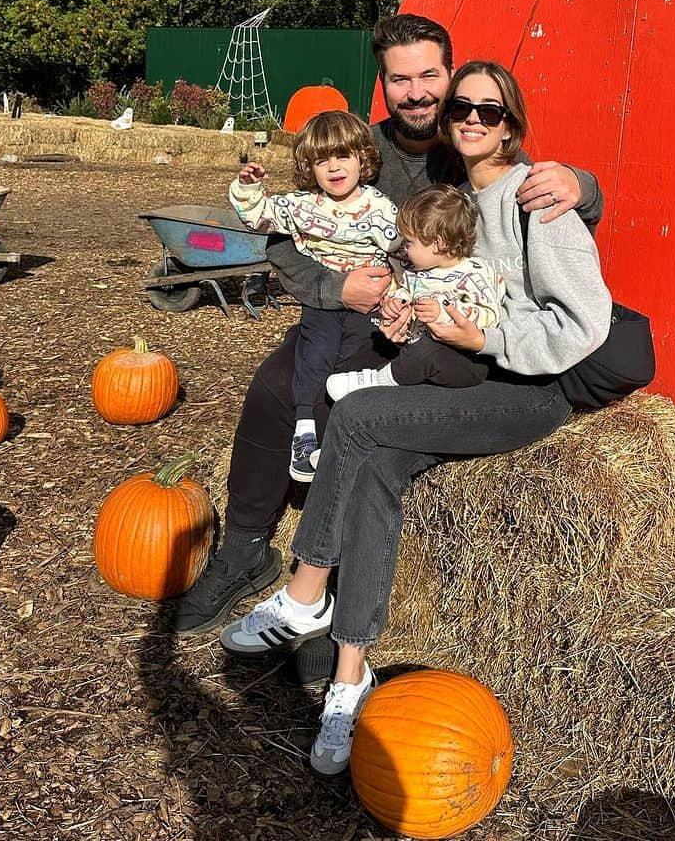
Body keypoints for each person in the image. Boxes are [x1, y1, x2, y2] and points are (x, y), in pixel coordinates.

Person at [219, 59, 612, 776]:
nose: (469, 118)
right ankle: (349, 678)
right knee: (373, 466)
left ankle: (304, 593)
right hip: (455, 378)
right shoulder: (455, 200)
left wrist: (483, 338)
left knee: (359, 410)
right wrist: (408, 320)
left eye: (489, 112)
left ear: (512, 125)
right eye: (462, 105)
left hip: (526, 391)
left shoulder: (540, 202)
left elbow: (583, 324)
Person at [167, 14, 603, 637]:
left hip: (431, 331)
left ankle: (332, 592)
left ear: (450, 77)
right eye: (401, 79)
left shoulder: (473, 142)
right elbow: (291, 234)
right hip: (347, 311)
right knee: (272, 389)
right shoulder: (354, 145)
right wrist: (333, 286)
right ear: (383, 83)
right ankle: (245, 548)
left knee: (359, 412)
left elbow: (545, 207)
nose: (418, 92)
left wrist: (582, 184)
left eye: (430, 75)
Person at [229, 110, 400, 480]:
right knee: (315, 353)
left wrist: (398, 294)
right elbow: (258, 217)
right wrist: (248, 187)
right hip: (324, 300)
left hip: (367, 301)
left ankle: (342, 437)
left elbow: (402, 254)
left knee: (352, 360)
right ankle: (305, 432)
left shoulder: (381, 209)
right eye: (322, 160)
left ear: (362, 159)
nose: (334, 168)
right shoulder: (303, 205)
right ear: (310, 167)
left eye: (343, 157)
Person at [326, 183, 504, 399]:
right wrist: (395, 304)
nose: (404, 248)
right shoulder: (417, 273)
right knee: (386, 345)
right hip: (413, 350)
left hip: (466, 360)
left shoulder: (473, 275)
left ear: (438, 244)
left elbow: (490, 316)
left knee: (425, 352)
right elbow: (405, 294)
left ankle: (379, 382)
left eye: (409, 242)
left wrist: (444, 313)